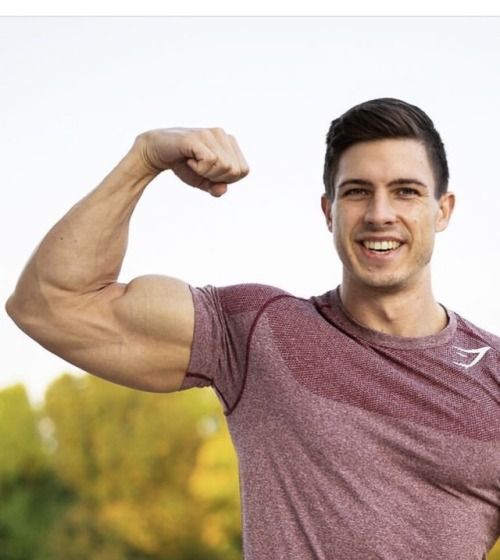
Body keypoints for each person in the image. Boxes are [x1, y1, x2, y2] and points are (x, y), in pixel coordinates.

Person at [6, 98, 500, 560]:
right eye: (356, 192)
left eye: (406, 192)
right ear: (328, 211)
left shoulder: (494, 374)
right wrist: (145, 158)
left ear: (443, 211)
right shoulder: (257, 332)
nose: (379, 214)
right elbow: (49, 304)